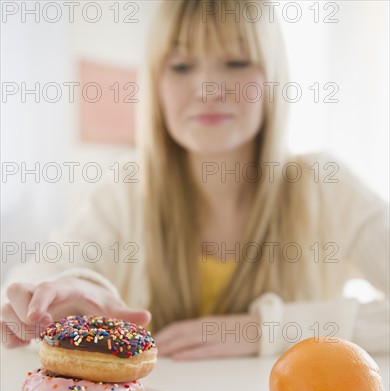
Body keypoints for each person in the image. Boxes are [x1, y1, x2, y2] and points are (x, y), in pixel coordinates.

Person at [1, 0, 389, 360]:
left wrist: (267, 330)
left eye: (236, 62)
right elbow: (31, 281)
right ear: (156, 84)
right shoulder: (126, 190)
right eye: (182, 66)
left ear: (273, 77)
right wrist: (60, 290)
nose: (207, 90)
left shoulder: (326, 186)